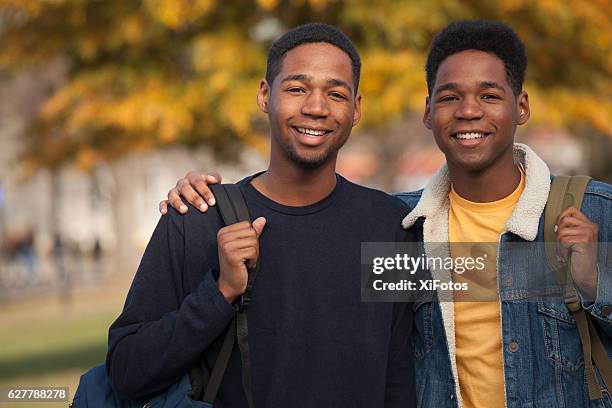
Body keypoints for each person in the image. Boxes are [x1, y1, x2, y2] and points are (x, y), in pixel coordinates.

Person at [162, 20, 612, 408]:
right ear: (428, 112)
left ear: (522, 107)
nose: (469, 111)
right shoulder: (400, 227)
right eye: (451, 97)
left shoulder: (592, 213)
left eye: (490, 96)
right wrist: (204, 201)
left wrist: (597, 285)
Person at [107, 23, 415, 407]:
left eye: (335, 93)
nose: (315, 107)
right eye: (297, 88)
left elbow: (399, 381)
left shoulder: (389, 227)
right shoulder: (197, 217)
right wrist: (220, 293)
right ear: (265, 95)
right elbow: (126, 371)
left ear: (355, 109)